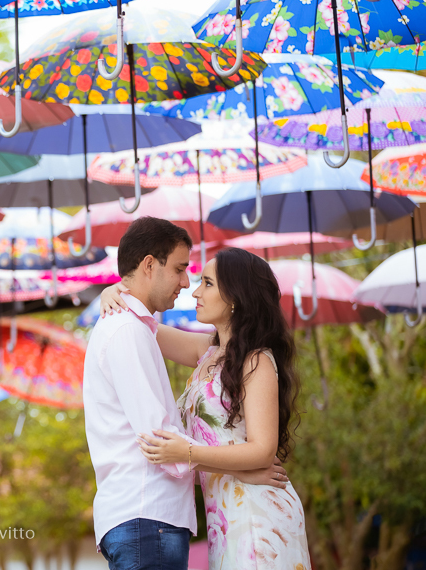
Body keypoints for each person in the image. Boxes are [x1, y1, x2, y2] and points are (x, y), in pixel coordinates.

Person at [84, 217, 291, 570]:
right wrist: (115, 291)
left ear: (236, 298)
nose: (190, 287)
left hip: (248, 509)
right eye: (183, 270)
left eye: (205, 282)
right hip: (176, 512)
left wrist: (123, 291)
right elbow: (163, 445)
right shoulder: (202, 352)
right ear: (149, 265)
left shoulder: (252, 360)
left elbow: (178, 448)